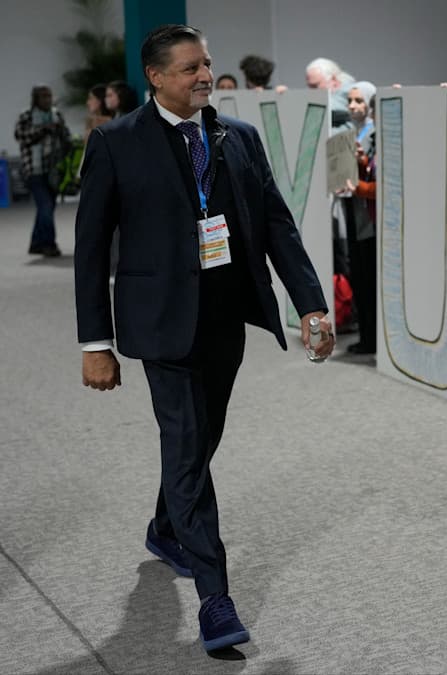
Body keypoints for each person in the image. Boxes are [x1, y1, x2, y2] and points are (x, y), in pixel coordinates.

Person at [74, 23, 335, 652]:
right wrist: (94, 344)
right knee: (189, 445)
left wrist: (310, 306)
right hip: (160, 325)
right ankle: (216, 602)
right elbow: (89, 251)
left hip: (224, 320)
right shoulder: (114, 142)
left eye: (206, 65)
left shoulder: (236, 136)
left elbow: (276, 223)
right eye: (189, 68)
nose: (201, 77)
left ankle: (167, 529)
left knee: (198, 442)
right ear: (156, 78)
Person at [14, 84, 71, 257]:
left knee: (47, 206)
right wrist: (43, 129)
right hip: (33, 169)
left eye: (49, 95)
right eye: (43, 96)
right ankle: (48, 244)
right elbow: (20, 136)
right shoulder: (26, 115)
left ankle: (36, 243)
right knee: (45, 205)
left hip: (53, 169)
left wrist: (59, 129)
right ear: (35, 99)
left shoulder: (56, 115)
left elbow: (65, 137)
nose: (47, 99)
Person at [342, 82, 377, 354]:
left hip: (370, 217)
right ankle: (367, 336)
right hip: (356, 211)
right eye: (350, 100)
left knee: (369, 278)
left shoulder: (376, 134)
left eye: (359, 100)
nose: (353, 105)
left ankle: (371, 338)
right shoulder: (352, 133)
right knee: (361, 277)